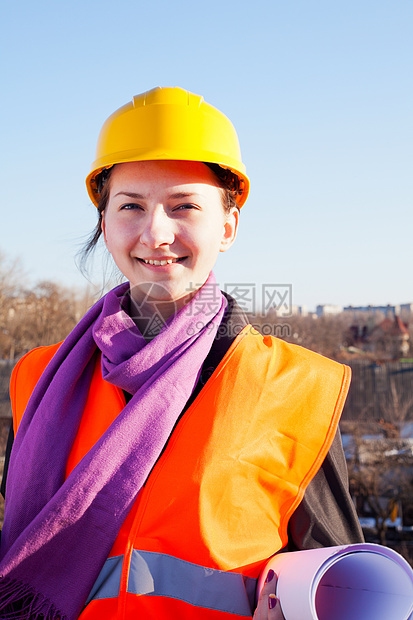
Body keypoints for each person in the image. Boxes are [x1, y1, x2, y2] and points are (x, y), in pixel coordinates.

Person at [0, 86, 363, 620]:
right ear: (105, 224)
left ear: (228, 225)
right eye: (131, 206)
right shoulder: (38, 376)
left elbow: (343, 588)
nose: (156, 232)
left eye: (184, 206)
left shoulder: (295, 387)